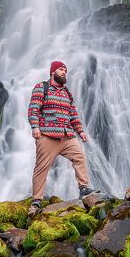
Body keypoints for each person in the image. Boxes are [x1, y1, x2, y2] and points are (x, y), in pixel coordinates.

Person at [27, 61, 95, 214]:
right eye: (61, 69)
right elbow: (33, 109)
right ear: (53, 72)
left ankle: (83, 188)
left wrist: (80, 131)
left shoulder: (67, 93)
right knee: (41, 167)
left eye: (65, 70)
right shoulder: (42, 88)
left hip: (67, 135)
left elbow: (73, 115)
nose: (64, 72)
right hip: (47, 135)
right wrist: (35, 127)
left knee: (80, 156)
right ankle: (37, 199)